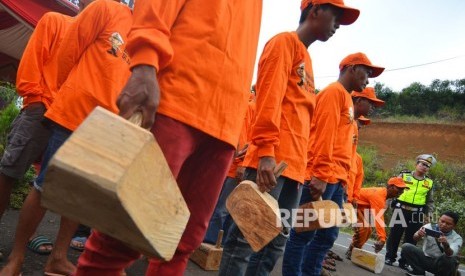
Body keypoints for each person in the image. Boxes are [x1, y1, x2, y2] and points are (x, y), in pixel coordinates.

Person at [73, 1, 262, 275]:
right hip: (174, 98)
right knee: (122, 232)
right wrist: (145, 62)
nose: (336, 24)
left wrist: (233, 132)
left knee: (181, 243)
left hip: (224, 123)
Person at [219, 1, 360, 275]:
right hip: (271, 164)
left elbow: (303, 121)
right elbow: (268, 101)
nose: (338, 25)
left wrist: (303, 171)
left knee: (274, 244)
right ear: (315, 10)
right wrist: (266, 154)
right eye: (336, 16)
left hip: (293, 172)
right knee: (247, 238)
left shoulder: (307, 61)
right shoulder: (284, 43)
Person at [0, 1, 132, 275]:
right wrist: (51, 98)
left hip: (101, 125)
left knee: (77, 192)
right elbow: (61, 54)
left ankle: (57, 258)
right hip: (61, 111)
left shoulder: (141, 32)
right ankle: (17, 256)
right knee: (32, 180)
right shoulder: (93, 13)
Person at [282, 52, 385, 276]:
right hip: (321, 175)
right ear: (351, 68)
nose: (367, 80)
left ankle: (310, 272)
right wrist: (319, 175)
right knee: (303, 233)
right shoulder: (332, 93)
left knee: (328, 234)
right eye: (366, 72)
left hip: (336, 179)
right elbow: (323, 136)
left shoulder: (346, 99)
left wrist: (344, 182)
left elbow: (342, 147)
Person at [0, 9, 73, 269]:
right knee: (10, 171)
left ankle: (50, 254)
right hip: (41, 107)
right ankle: (17, 253)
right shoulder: (57, 20)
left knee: (55, 185)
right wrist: (35, 101)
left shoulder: (105, 39)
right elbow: (32, 62)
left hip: (72, 116)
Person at [204, 90, 256, 245]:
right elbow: (242, 138)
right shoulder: (251, 107)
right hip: (237, 167)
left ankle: (221, 243)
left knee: (232, 209)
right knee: (223, 208)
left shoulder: (260, 109)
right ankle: (209, 242)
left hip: (244, 166)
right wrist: (241, 163)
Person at [385, 154, 437, 268]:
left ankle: (404, 262)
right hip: (400, 209)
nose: (424, 167)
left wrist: (428, 214)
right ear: (416, 164)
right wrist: (387, 204)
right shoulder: (404, 175)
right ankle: (389, 257)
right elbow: (391, 190)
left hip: (417, 213)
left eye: (427, 166)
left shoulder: (429, 182)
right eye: (422, 164)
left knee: (412, 238)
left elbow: (430, 201)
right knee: (395, 235)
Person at [345, 177, 407, 259]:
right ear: (390, 186)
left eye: (403, 189)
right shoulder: (379, 195)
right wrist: (382, 238)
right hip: (350, 204)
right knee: (364, 228)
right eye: (399, 188)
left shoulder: (384, 196)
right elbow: (378, 217)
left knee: (368, 230)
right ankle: (353, 251)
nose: (401, 192)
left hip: (360, 208)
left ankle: (353, 249)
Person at [401, 211, 462, 276]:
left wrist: (446, 244)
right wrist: (418, 234)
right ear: (439, 220)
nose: (444, 224)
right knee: (406, 246)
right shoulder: (429, 226)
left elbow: (450, 254)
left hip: (440, 264)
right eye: (442, 221)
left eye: (448, 223)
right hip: (425, 258)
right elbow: (415, 238)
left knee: (448, 258)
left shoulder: (457, 238)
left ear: (454, 226)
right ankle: (418, 272)